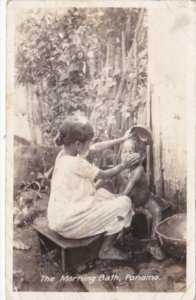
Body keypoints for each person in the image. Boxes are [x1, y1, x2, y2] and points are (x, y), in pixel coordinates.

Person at [47, 121, 140, 260]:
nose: (90, 146)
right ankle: (106, 249)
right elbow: (105, 174)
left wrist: (121, 139)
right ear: (77, 144)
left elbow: (95, 148)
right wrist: (124, 165)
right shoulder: (77, 163)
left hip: (58, 217)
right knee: (125, 203)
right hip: (70, 224)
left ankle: (115, 227)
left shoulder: (63, 154)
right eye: (88, 143)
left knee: (104, 194)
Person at [118, 137, 162, 239]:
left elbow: (126, 190)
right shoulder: (121, 170)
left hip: (146, 200)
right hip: (132, 201)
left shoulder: (139, 170)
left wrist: (119, 197)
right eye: (124, 152)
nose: (126, 155)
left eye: (130, 152)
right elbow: (122, 189)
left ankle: (154, 240)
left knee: (157, 211)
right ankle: (121, 234)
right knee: (121, 213)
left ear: (139, 157)